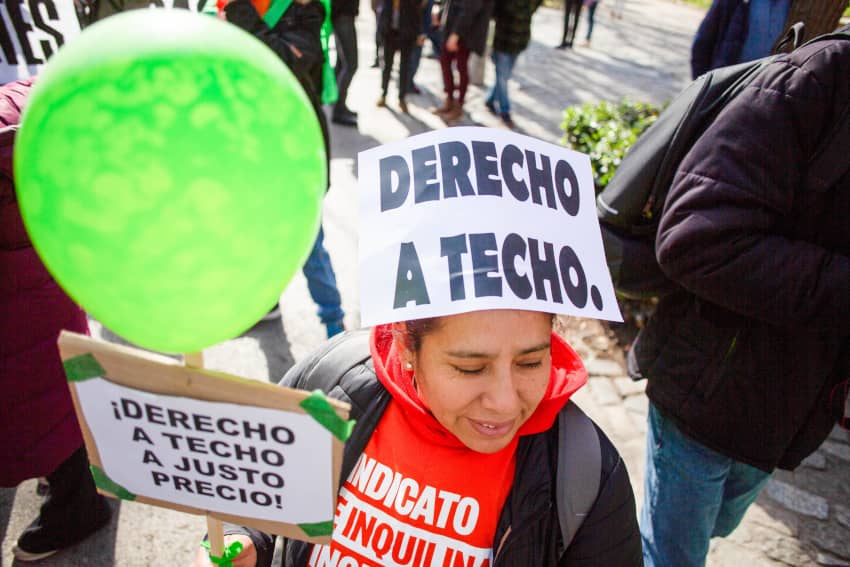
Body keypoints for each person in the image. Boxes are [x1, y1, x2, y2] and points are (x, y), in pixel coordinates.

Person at [633, 29, 850, 567]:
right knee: (673, 553)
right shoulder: (815, 80)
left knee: (715, 526)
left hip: (792, 412)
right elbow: (696, 240)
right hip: (708, 391)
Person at [192, 310, 643, 566]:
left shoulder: (586, 473)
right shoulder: (334, 379)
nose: (506, 403)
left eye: (529, 363)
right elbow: (260, 503)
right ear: (408, 348)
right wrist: (243, 539)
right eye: (469, 368)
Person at [0, 79, 112, 562]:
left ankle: (77, 506)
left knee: (43, 407)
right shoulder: (39, 100)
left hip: (26, 298)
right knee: (60, 404)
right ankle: (76, 497)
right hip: (49, 287)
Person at [222, 0, 346, 338]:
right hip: (254, 143)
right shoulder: (233, 8)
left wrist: (240, 14)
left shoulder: (306, 9)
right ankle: (265, 303)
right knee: (259, 231)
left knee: (310, 242)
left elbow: (283, 58)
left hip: (296, 147)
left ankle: (334, 322)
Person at [690, 0, 846, 79]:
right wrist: (704, 87)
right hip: (726, 88)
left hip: (767, 94)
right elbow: (702, 44)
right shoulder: (734, 2)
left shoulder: (797, 6)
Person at [433, 0, 494, 123]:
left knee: (462, 68)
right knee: (445, 62)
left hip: (465, 35)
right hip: (450, 29)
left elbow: (469, 11)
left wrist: (456, 35)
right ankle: (449, 100)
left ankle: (459, 106)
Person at [485, 0, 543, 129]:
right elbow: (494, 12)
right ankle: (505, 111)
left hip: (519, 41)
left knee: (503, 76)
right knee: (503, 78)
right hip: (503, 42)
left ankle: (489, 99)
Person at [376, 0, 425, 113]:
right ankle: (383, 93)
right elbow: (383, 9)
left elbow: (419, 12)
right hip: (389, 31)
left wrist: (419, 32)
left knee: (404, 67)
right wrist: (381, 29)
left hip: (407, 33)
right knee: (387, 65)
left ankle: (401, 97)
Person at [331, 0, 359, 127]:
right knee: (351, 64)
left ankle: (337, 102)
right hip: (342, 15)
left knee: (342, 63)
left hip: (342, 14)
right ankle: (338, 109)